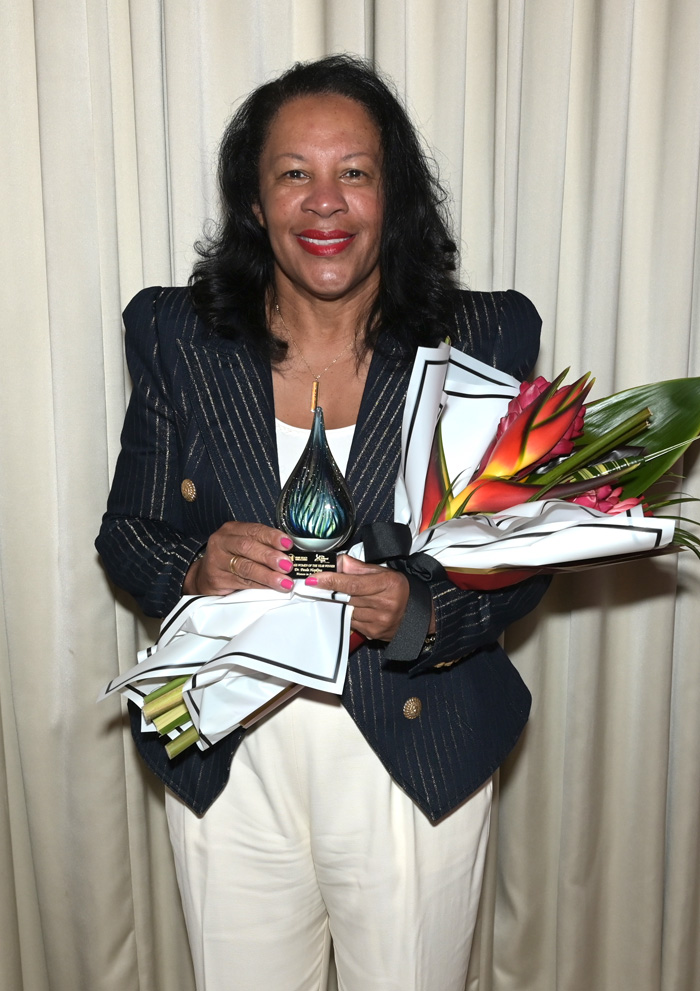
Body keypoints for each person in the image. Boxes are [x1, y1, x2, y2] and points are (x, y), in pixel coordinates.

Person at [96, 54, 550, 991]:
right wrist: (196, 564)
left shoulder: (485, 335)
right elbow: (127, 530)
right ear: (255, 204)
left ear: (394, 197)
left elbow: (524, 559)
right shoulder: (177, 335)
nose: (326, 202)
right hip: (233, 753)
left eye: (355, 172)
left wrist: (417, 612)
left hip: (412, 748)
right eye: (294, 173)